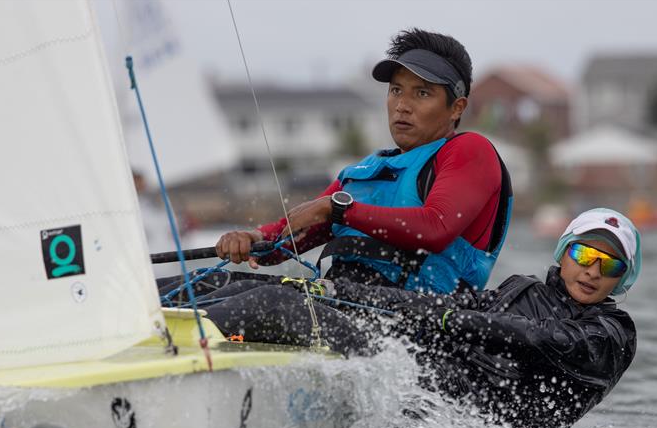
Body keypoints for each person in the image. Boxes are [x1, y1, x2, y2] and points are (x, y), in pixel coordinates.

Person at [201, 208, 642, 428]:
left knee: (278, 306)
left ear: (624, 278)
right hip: (421, 378)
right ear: (564, 253)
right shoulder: (522, 289)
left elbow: (535, 338)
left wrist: (451, 319)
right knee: (245, 282)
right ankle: (168, 317)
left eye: (611, 266)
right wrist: (345, 293)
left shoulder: (613, 334)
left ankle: (181, 337)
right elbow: (429, 303)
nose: (593, 271)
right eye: (585, 255)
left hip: (460, 417)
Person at [214, 28, 513, 294]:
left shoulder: (470, 150)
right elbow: (285, 241)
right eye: (396, 90)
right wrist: (250, 238)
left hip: (419, 325)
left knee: (261, 302)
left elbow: (435, 229)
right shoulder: (363, 172)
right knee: (201, 288)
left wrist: (337, 210)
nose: (402, 106)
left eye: (422, 93)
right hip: (341, 303)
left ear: (456, 108)